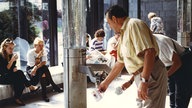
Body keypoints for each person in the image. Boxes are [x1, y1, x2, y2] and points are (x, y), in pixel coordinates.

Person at [98, 5, 167, 108]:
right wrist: (105, 83)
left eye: (109, 23)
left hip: (151, 74)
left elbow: (149, 52)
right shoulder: (123, 33)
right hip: (142, 75)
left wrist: (144, 81)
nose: (110, 27)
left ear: (114, 19)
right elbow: (120, 63)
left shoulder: (134, 24)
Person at [151, 17, 192, 108]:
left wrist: (164, 76)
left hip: (183, 63)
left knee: (181, 96)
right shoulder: (150, 43)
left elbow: (178, 63)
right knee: (172, 95)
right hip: (171, 66)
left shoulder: (160, 42)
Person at [0, 38, 40, 106]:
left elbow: (11, 69)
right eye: (10, 48)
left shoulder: (11, 55)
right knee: (20, 74)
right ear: (4, 48)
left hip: (9, 75)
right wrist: (12, 60)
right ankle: (30, 88)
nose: (12, 50)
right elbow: (3, 71)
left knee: (20, 78)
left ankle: (17, 98)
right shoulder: (0, 56)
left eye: (13, 48)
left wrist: (14, 68)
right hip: (2, 78)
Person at [26, 37, 63, 102]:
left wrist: (37, 66)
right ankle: (53, 87)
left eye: (42, 45)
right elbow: (32, 66)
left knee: (43, 69)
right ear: (35, 46)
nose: (41, 47)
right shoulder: (30, 53)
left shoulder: (43, 51)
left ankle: (44, 94)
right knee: (43, 70)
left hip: (39, 69)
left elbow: (44, 62)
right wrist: (38, 57)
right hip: (31, 70)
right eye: (39, 45)